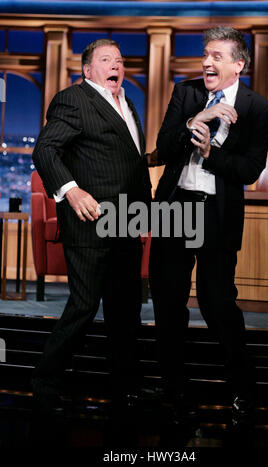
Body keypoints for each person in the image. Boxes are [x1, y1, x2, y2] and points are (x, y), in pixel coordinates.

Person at [149, 26, 268, 425]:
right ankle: (173, 388)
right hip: (175, 206)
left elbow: (251, 169)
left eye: (217, 56)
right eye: (205, 55)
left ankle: (243, 389)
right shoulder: (186, 93)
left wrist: (209, 152)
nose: (206, 62)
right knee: (168, 302)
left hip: (216, 214)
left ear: (239, 64)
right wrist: (196, 119)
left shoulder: (256, 107)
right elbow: (163, 148)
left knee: (216, 303)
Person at [31, 39, 152, 412]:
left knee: (125, 307)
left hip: (128, 221)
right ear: (88, 70)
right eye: (106, 59)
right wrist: (71, 191)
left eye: (119, 59)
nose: (116, 64)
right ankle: (45, 379)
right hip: (90, 221)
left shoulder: (128, 103)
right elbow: (45, 150)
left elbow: (127, 161)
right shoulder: (74, 99)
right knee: (85, 305)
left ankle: (124, 384)